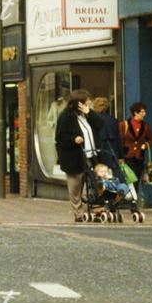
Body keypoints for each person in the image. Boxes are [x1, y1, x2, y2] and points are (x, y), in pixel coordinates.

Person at [55, 89, 104, 222]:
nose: (89, 102)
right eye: (87, 101)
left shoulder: (87, 115)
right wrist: (74, 139)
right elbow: (60, 137)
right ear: (79, 103)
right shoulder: (66, 117)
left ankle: (95, 209)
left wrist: (90, 113)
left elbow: (101, 124)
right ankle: (78, 213)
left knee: (95, 183)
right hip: (74, 157)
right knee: (76, 186)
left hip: (91, 155)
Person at [121, 101, 152, 188]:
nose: (145, 114)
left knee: (137, 178)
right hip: (127, 156)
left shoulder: (146, 126)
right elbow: (120, 141)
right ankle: (130, 198)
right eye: (142, 112)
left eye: (144, 112)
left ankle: (134, 198)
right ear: (136, 112)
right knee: (130, 178)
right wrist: (120, 157)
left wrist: (145, 145)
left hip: (139, 156)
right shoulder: (124, 125)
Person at [91, 97, 121, 171]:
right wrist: (120, 156)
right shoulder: (113, 120)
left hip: (97, 150)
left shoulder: (92, 119)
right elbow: (118, 139)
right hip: (112, 150)